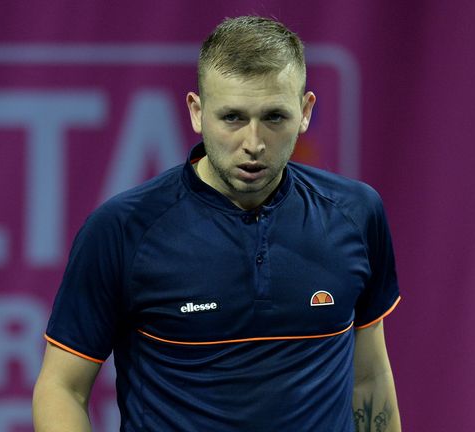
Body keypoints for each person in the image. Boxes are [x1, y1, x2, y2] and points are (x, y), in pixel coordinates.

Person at [33, 15, 401, 432]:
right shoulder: (121, 230)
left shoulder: (356, 213)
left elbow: (369, 379)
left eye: (274, 117)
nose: (253, 143)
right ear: (197, 111)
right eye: (232, 118)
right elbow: (62, 388)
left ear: (305, 111)